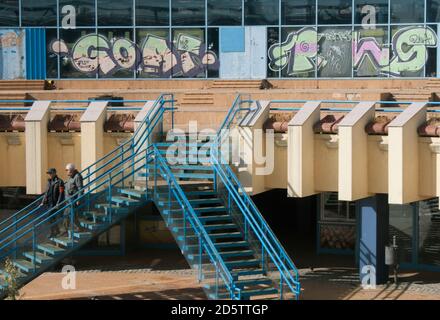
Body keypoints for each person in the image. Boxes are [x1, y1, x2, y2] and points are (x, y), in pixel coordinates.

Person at [40, 168, 64, 237]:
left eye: (50, 173)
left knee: (50, 217)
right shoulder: (49, 182)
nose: (49, 175)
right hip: (49, 203)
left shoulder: (59, 181)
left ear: (54, 173)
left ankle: (53, 232)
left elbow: (61, 193)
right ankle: (56, 231)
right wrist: (43, 201)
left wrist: (58, 203)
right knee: (51, 218)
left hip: (55, 203)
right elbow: (46, 193)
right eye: (49, 173)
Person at [62, 163, 84, 235]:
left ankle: (78, 228)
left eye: (67, 170)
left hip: (73, 200)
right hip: (68, 200)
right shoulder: (71, 177)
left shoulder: (77, 176)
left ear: (71, 170)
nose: (67, 172)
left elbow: (80, 188)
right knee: (66, 215)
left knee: (72, 215)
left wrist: (78, 199)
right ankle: (65, 229)